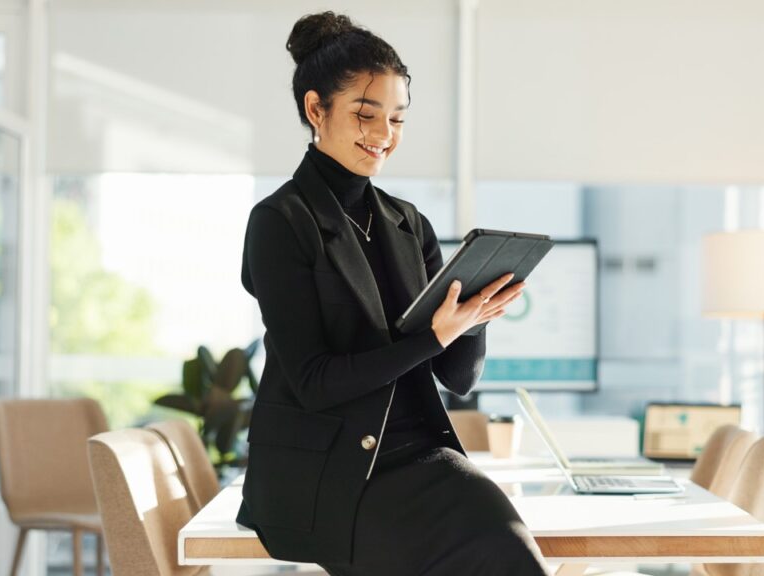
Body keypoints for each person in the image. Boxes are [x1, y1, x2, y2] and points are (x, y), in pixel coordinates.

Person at [235, 11, 551, 576]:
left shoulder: (410, 224)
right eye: (365, 114)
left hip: (420, 457)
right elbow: (314, 381)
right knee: (497, 553)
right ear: (315, 110)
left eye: (398, 119)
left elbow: (457, 376)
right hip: (328, 474)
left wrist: (475, 318)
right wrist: (432, 336)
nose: (383, 135)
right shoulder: (279, 222)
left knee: (509, 546)